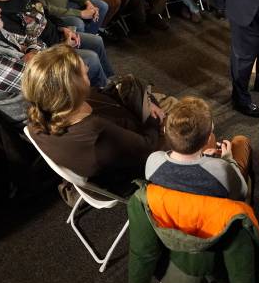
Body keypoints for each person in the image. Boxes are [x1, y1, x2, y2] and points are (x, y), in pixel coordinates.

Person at [23, 44, 165, 192]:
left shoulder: (39, 115)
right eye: (83, 72)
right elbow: (148, 146)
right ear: (73, 88)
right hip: (140, 164)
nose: (88, 68)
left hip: (125, 136)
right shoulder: (96, 132)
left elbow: (102, 94)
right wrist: (151, 114)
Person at [145, 96, 250, 201]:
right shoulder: (223, 171)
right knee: (241, 141)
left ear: (164, 131)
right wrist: (228, 160)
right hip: (209, 213)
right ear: (207, 139)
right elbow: (242, 193)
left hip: (170, 211)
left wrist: (205, 157)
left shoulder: (153, 161)